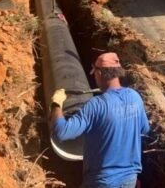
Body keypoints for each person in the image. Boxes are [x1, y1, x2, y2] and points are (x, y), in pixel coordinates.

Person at [50, 52, 150, 188]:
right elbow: (144, 129)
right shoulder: (135, 97)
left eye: (94, 72)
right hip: (129, 179)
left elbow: (61, 132)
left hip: (102, 182)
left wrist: (56, 104)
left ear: (100, 73)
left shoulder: (96, 105)